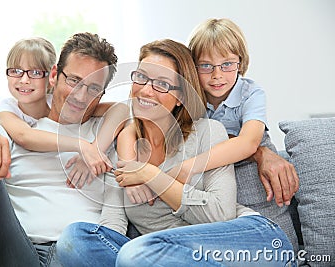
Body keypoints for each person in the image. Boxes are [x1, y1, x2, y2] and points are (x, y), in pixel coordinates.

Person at [56, 39, 296, 266]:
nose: (147, 91)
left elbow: (220, 215)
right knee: (74, 239)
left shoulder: (209, 132)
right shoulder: (123, 145)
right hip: (159, 257)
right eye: (141, 77)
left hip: (248, 242)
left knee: (136, 253)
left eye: (162, 84)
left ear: (181, 96)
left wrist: (152, 176)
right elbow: (113, 224)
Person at [0, 32, 127, 267]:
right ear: (54, 76)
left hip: (75, 253)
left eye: (93, 89)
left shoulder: (107, 136)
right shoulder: (20, 126)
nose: (80, 96)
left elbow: (114, 219)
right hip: (19, 250)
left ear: (102, 94)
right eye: (74, 81)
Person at [186, 18, 299, 249]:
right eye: (206, 66)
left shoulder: (251, 93)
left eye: (227, 64)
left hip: (260, 202)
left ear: (240, 62)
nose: (217, 75)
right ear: (193, 67)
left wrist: (186, 168)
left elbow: (248, 142)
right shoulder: (190, 99)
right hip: (216, 202)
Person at [0, 37, 128, 185]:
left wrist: (96, 148)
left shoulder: (62, 103)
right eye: (16, 71)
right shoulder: (10, 109)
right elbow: (24, 136)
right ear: (55, 76)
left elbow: (121, 108)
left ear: (49, 77)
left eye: (35, 73)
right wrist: (82, 146)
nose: (25, 80)